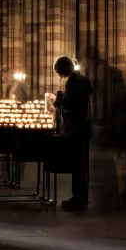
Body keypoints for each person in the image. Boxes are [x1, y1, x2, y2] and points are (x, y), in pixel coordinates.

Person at [53, 56, 93, 211]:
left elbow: (70, 106)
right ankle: (79, 197)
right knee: (79, 164)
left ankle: (78, 198)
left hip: (75, 128)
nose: (59, 74)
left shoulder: (73, 82)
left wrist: (59, 102)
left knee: (77, 164)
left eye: (58, 71)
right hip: (82, 126)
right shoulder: (82, 80)